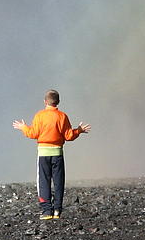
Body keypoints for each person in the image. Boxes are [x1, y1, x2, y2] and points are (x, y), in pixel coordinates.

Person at [13, 89, 90, 220]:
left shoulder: (39, 116)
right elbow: (69, 135)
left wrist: (23, 127)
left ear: (45, 102)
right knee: (59, 182)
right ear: (58, 102)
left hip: (43, 153)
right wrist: (79, 130)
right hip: (57, 153)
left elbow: (33, 133)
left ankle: (46, 211)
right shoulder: (62, 116)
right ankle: (57, 211)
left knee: (43, 181)